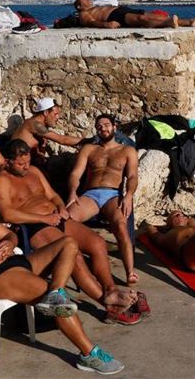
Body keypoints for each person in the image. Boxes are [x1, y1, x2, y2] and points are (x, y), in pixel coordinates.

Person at [0, 180, 124, 375]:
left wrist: (8, 242)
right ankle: (89, 354)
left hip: (16, 262)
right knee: (61, 306)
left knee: (68, 244)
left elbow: (10, 235)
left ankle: (56, 290)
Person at [0, 139, 147, 325]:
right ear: (7, 161)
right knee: (75, 256)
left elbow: (52, 195)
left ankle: (111, 291)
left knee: (97, 243)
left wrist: (60, 207)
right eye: (20, 163)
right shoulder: (1, 181)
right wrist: (44, 219)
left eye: (27, 161)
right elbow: (7, 213)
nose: (25, 167)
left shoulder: (33, 171)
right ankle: (109, 305)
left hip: (56, 218)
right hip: (34, 226)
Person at [66, 114, 139, 285]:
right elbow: (76, 173)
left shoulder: (127, 151)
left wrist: (129, 195)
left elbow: (133, 176)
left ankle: (130, 271)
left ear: (115, 127)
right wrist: (72, 192)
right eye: (99, 126)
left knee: (121, 224)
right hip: (90, 194)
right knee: (67, 220)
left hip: (113, 194)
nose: (103, 128)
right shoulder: (89, 149)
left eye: (106, 125)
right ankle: (77, 265)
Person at [11, 97, 83, 167]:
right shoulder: (35, 124)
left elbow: (40, 155)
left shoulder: (41, 127)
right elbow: (62, 139)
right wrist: (86, 141)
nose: (57, 117)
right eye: (55, 114)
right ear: (45, 113)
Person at [73, 0, 195, 29]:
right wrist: (106, 25)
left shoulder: (96, 4)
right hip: (114, 16)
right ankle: (169, 22)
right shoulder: (84, 14)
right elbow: (90, 22)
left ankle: (190, 21)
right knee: (141, 19)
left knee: (151, 15)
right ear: (79, 6)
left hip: (121, 10)